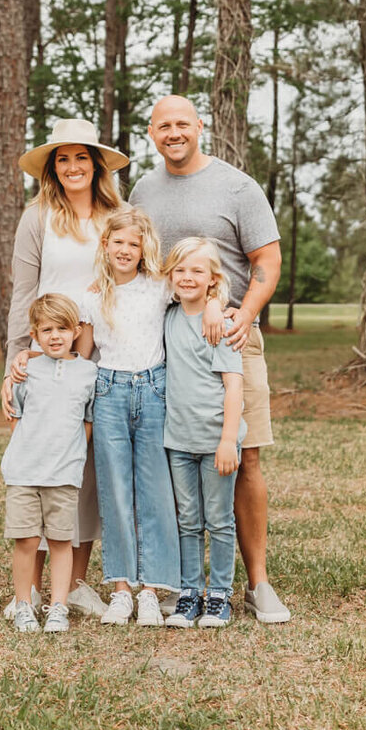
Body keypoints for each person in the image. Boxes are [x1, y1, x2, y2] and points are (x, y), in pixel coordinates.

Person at [131, 94, 292, 624]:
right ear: (151, 133)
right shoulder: (143, 190)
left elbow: (266, 258)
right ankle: (180, 586)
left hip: (230, 339)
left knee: (244, 456)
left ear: (200, 126)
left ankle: (257, 584)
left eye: (183, 123)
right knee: (168, 462)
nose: (173, 132)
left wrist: (243, 314)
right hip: (163, 345)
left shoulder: (237, 186)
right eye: (163, 125)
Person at [0, 118, 127, 621]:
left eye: (81, 157)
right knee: (44, 459)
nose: (72, 166)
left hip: (106, 352)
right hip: (48, 351)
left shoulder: (118, 215)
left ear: (96, 163)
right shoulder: (37, 218)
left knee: (87, 471)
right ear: (52, 167)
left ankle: (75, 584)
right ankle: (25, 594)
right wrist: (14, 359)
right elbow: (22, 293)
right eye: (62, 158)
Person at [74, 208, 226, 627]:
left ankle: (151, 591)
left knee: (156, 491)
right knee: (115, 490)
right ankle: (122, 588)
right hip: (108, 392)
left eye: (133, 244)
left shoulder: (158, 287)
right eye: (117, 242)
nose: (125, 250)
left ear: (144, 251)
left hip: (155, 391)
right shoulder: (90, 296)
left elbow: (197, 287)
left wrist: (214, 304)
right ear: (105, 246)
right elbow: (83, 355)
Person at [1, 294, 98, 635]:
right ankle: (24, 604)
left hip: (64, 474)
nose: (54, 336)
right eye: (46, 330)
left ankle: (58, 606)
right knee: (26, 540)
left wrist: (71, 453)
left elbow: (88, 421)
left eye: (62, 328)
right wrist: (30, 448)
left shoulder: (88, 373)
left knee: (60, 541)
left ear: (76, 331)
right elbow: (17, 416)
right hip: (24, 472)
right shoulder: (26, 370)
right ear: (35, 333)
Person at [161, 238, 245, 629]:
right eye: (180, 269)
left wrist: (228, 440)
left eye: (197, 271)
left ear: (213, 280)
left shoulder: (222, 324)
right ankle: (190, 591)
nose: (187, 277)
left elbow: (234, 386)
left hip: (215, 441)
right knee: (188, 520)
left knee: (220, 519)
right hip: (178, 440)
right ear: (170, 275)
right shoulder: (168, 317)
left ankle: (220, 595)